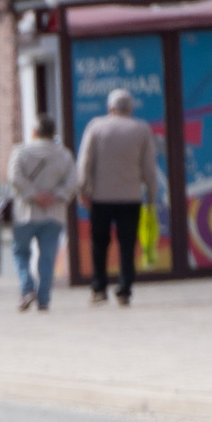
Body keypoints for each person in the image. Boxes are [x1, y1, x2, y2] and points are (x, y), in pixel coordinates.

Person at [77, 87, 160, 307]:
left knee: (99, 244)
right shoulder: (141, 129)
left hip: (101, 198)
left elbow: (85, 162)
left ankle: (99, 287)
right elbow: (149, 167)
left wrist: (84, 190)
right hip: (130, 197)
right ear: (130, 108)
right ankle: (125, 290)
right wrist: (151, 194)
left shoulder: (96, 127)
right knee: (127, 244)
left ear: (110, 107)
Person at [6, 115, 76, 314]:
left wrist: (34, 195)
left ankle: (27, 289)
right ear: (54, 133)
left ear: (34, 132)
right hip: (53, 214)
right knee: (47, 257)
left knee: (21, 253)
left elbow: (14, 177)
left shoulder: (21, 152)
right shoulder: (64, 155)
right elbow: (73, 182)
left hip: (25, 213)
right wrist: (55, 196)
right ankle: (44, 299)